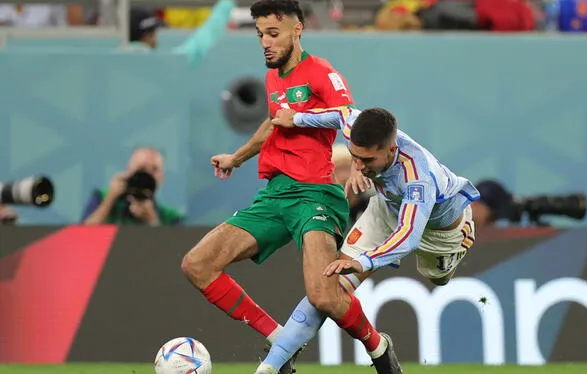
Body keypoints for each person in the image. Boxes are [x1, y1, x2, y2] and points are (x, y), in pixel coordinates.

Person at [180, 1, 401, 374]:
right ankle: (278, 336)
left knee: (322, 294)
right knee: (197, 264)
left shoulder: (321, 73)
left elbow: (351, 117)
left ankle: (378, 346)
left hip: (314, 195)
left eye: (273, 33)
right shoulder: (274, 77)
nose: (265, 42)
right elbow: (272, 123)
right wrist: (237, 157)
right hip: (274, 195)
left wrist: (358, 165)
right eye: (260, 35)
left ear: (297, 30)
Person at [258, 106, 480, 373]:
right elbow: (340, 113)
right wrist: (296, 119)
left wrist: (364, 261)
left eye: (367, 160)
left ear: (390, 148)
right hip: (386, 209)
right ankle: (275, 362)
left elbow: (408, 236)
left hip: (438, 233)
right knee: (330, 286)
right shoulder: (356, 127)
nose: (360, 166)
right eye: (355, 157)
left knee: (437, 277)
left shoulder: (419, 177)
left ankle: (462, 234)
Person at [81, 147, 183, 226]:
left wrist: (152, 220)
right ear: (128, 171)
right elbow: (82, 236)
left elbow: (174, 250)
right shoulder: (101, 197)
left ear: (161, 177)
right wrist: (110, 199)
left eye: (154, 169)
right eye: (141, 168)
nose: (147, 174)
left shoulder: (171, 217)